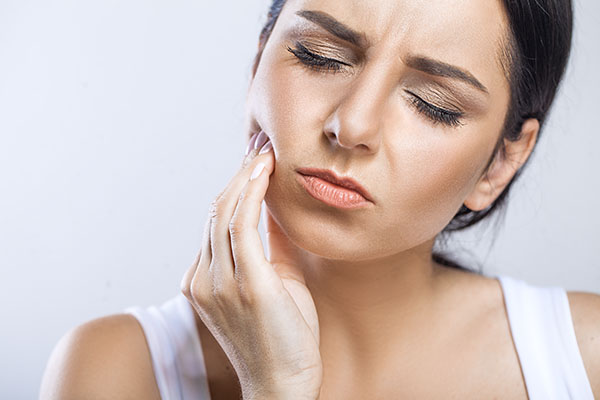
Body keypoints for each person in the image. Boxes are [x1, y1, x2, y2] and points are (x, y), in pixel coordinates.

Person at [40, 0, 600, 399]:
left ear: (502, 161)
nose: (351, 123)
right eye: (319, 55)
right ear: (259, 61)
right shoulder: (110, 372)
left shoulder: (586, 360)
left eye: (433, 103)